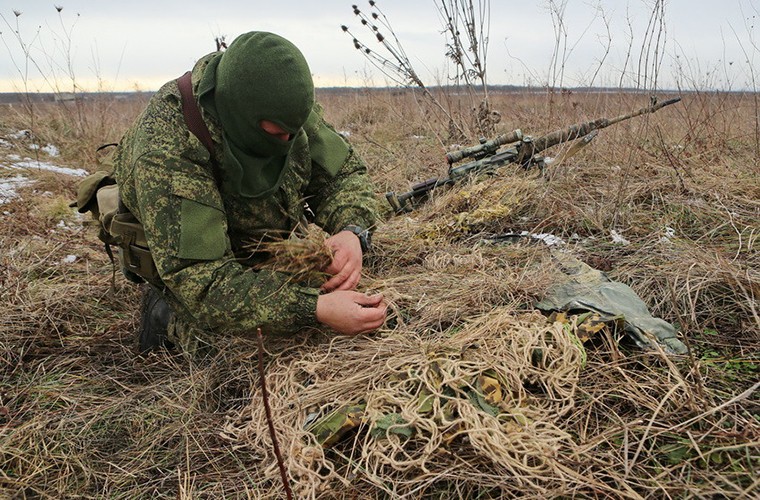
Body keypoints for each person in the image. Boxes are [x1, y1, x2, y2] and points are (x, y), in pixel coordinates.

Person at [110, 31, 387, 355]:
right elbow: (203, 282)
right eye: (275, 133)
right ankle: (163, 310)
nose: (287, 141)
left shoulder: (284, 109)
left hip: (262, 236)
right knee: (236, 351)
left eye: (292, 133)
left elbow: (345, 175)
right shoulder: (170, 147)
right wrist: (314, 308)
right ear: (242, 115)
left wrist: (352, 232)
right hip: (194, 262)